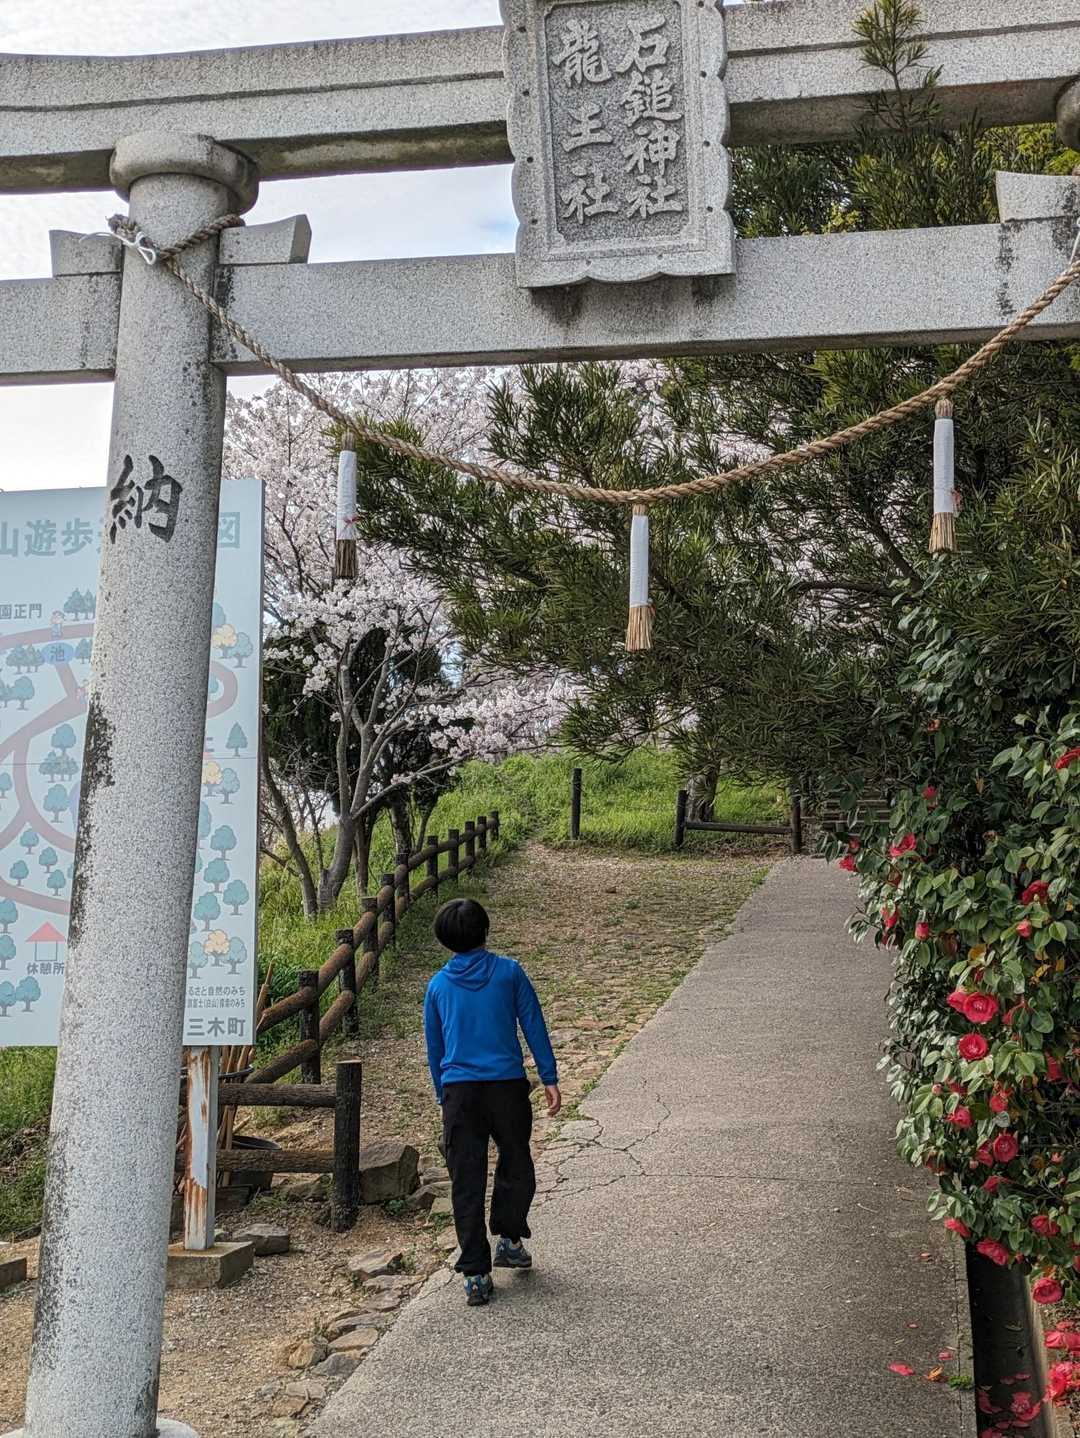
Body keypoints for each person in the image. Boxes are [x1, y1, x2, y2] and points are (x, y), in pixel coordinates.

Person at [424, 897, 561, 1307]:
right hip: (507, 1088)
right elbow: (533, 1022)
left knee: (466, 1179)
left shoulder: (438, 986)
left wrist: (442, 1094)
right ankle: (510, 1238)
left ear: (444, 940)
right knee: (517, 1164)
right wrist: (549, 1076)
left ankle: (476, 1273)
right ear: (486, 931)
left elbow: (435, 1047)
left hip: (460, 1093)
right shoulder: (509, 972)